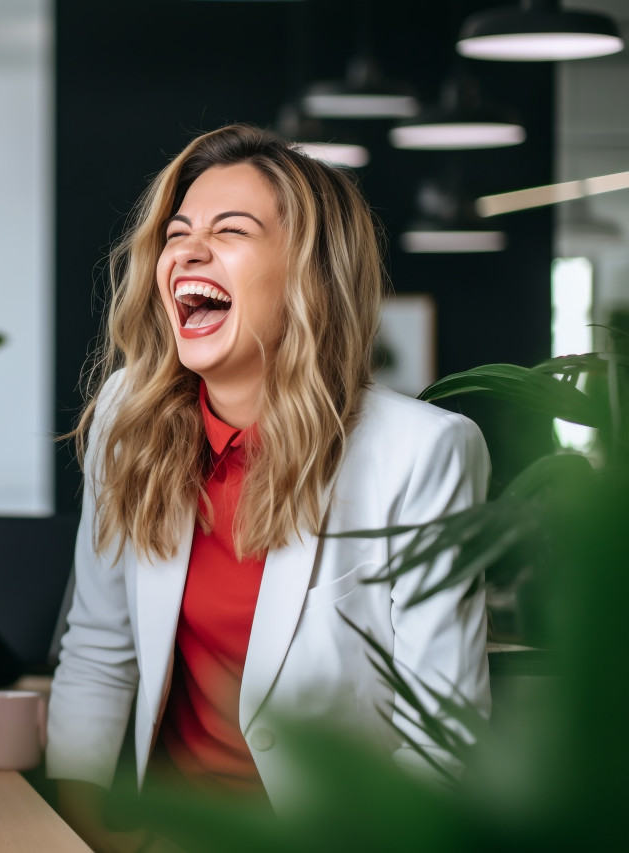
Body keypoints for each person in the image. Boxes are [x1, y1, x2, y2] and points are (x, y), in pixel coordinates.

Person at [46, 124, 490, 847]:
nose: (187, 250)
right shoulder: (128, 419)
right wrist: (85, 834)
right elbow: (99, 648)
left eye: (231, 230)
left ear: (311, 273)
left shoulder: (423, 452)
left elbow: (445, 739)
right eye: (178, 231)